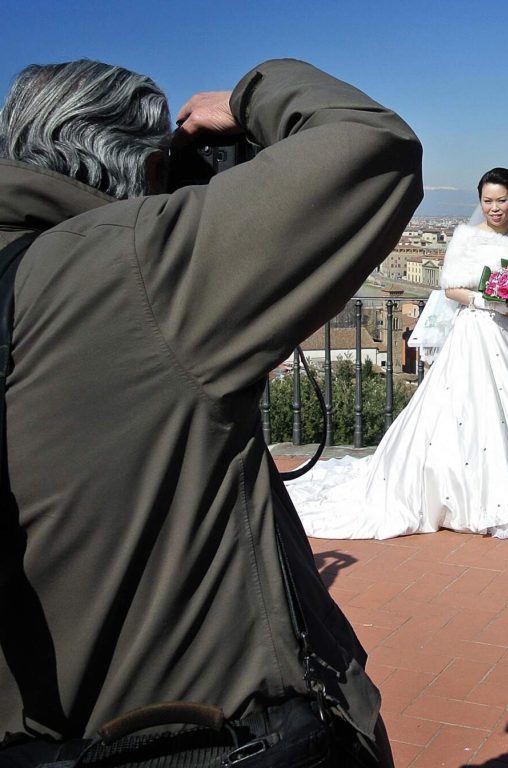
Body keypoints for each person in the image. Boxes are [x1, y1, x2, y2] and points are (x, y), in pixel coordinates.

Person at [0, 58, 421, 765]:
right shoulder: (137, 261)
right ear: (147, 160)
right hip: (205, 733)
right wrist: (250, 96)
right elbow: (373, 144)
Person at [286, 167, 508, 539]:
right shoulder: (465, 237)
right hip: (473, 332)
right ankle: (467, 497)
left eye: (501, 200)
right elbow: (451, 287)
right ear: (480, 202)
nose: (495, 208)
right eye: (488, 201)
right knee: (467, 408)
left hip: (507, 335)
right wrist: (484, 301)